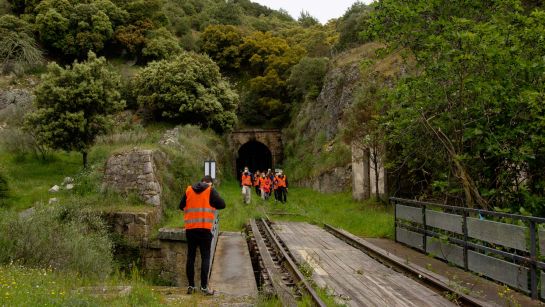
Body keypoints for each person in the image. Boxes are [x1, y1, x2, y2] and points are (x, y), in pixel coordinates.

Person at [179, 175, 226, 295]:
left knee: (191, 257)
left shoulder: (189, 189)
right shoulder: (210, 190)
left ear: (201, 181)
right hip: (205, 229)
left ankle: (191, 286)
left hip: (191, 229)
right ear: (210, 183)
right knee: (205, 257)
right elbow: (222, 204)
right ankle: (204, 288)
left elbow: (181, 206)